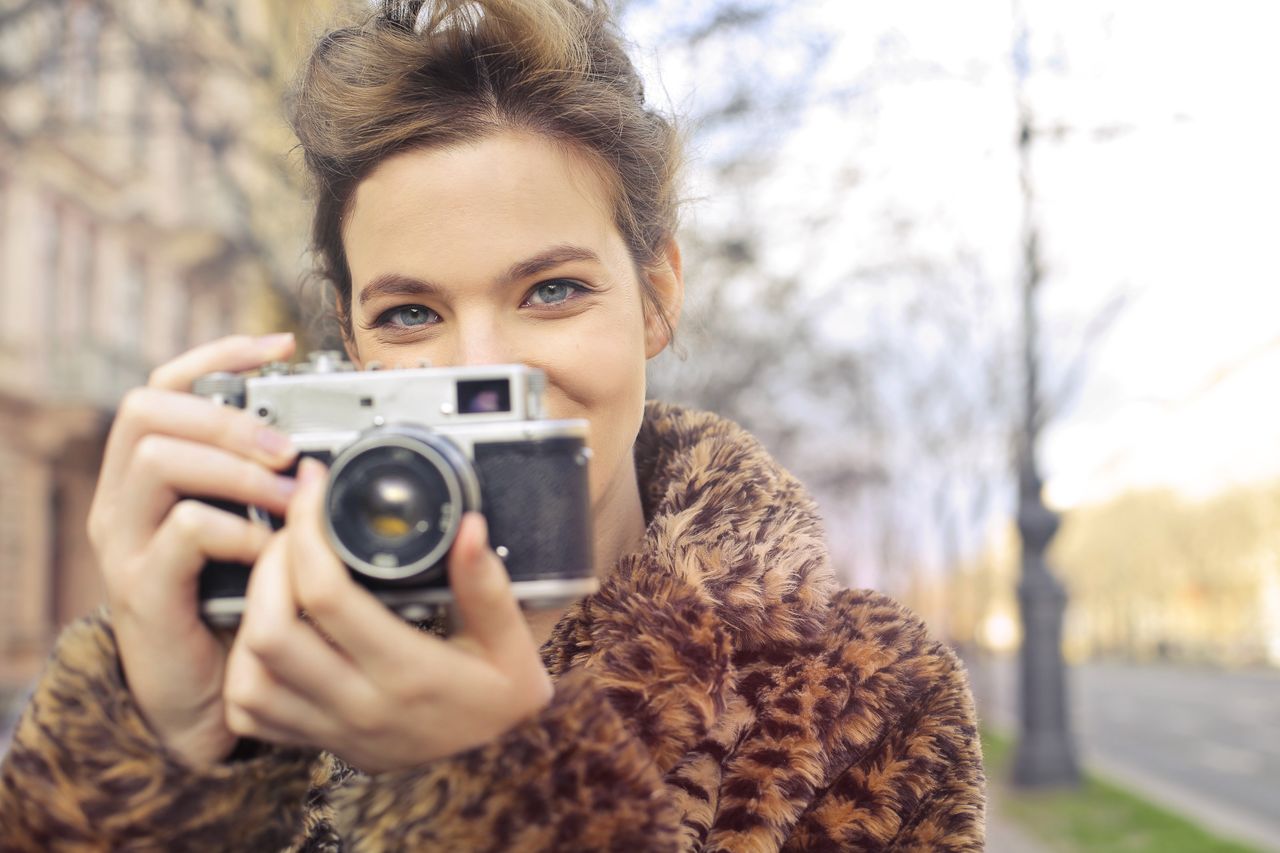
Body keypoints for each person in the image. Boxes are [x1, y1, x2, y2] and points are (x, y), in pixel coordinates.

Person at [0, 1, 985, 849]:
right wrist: (155, 750)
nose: (482, 367)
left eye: (551, 290)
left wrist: (507, 793)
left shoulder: (857, 700)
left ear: (654, 296)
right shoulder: (261, 670)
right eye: (410, 314)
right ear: (348, 343)